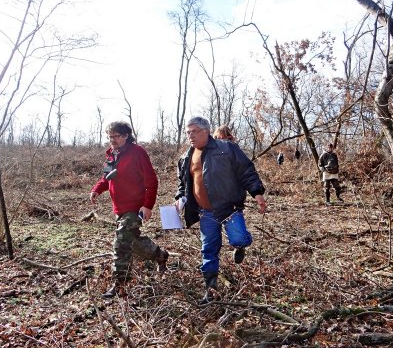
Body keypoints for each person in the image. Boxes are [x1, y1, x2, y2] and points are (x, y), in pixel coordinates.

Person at [175, 117, 267, 304]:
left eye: (194, 131)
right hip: (205, 212)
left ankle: (241, 246)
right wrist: (179, 199)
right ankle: (211, 291)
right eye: (187, 132)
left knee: (239, 238)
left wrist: (257, 192)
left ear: (205, 131)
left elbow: (246, 170)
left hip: (229, 208)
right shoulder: (186, 157)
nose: (190, 135)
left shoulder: (226, 148)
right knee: (208, 250)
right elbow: (183, 184)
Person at [90, 121, 169, 298]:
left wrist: (147, 205)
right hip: (119, 207)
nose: (112, 140)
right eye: (110, 137)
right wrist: (96, 190)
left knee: (121, 243)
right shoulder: (111, 155)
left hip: (135, 207)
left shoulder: (137, 153)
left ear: (126, 136)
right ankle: (160, 255)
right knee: (132, 241)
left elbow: (151, 181)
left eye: (116, 136)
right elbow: (106, 178)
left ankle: (119, 285)